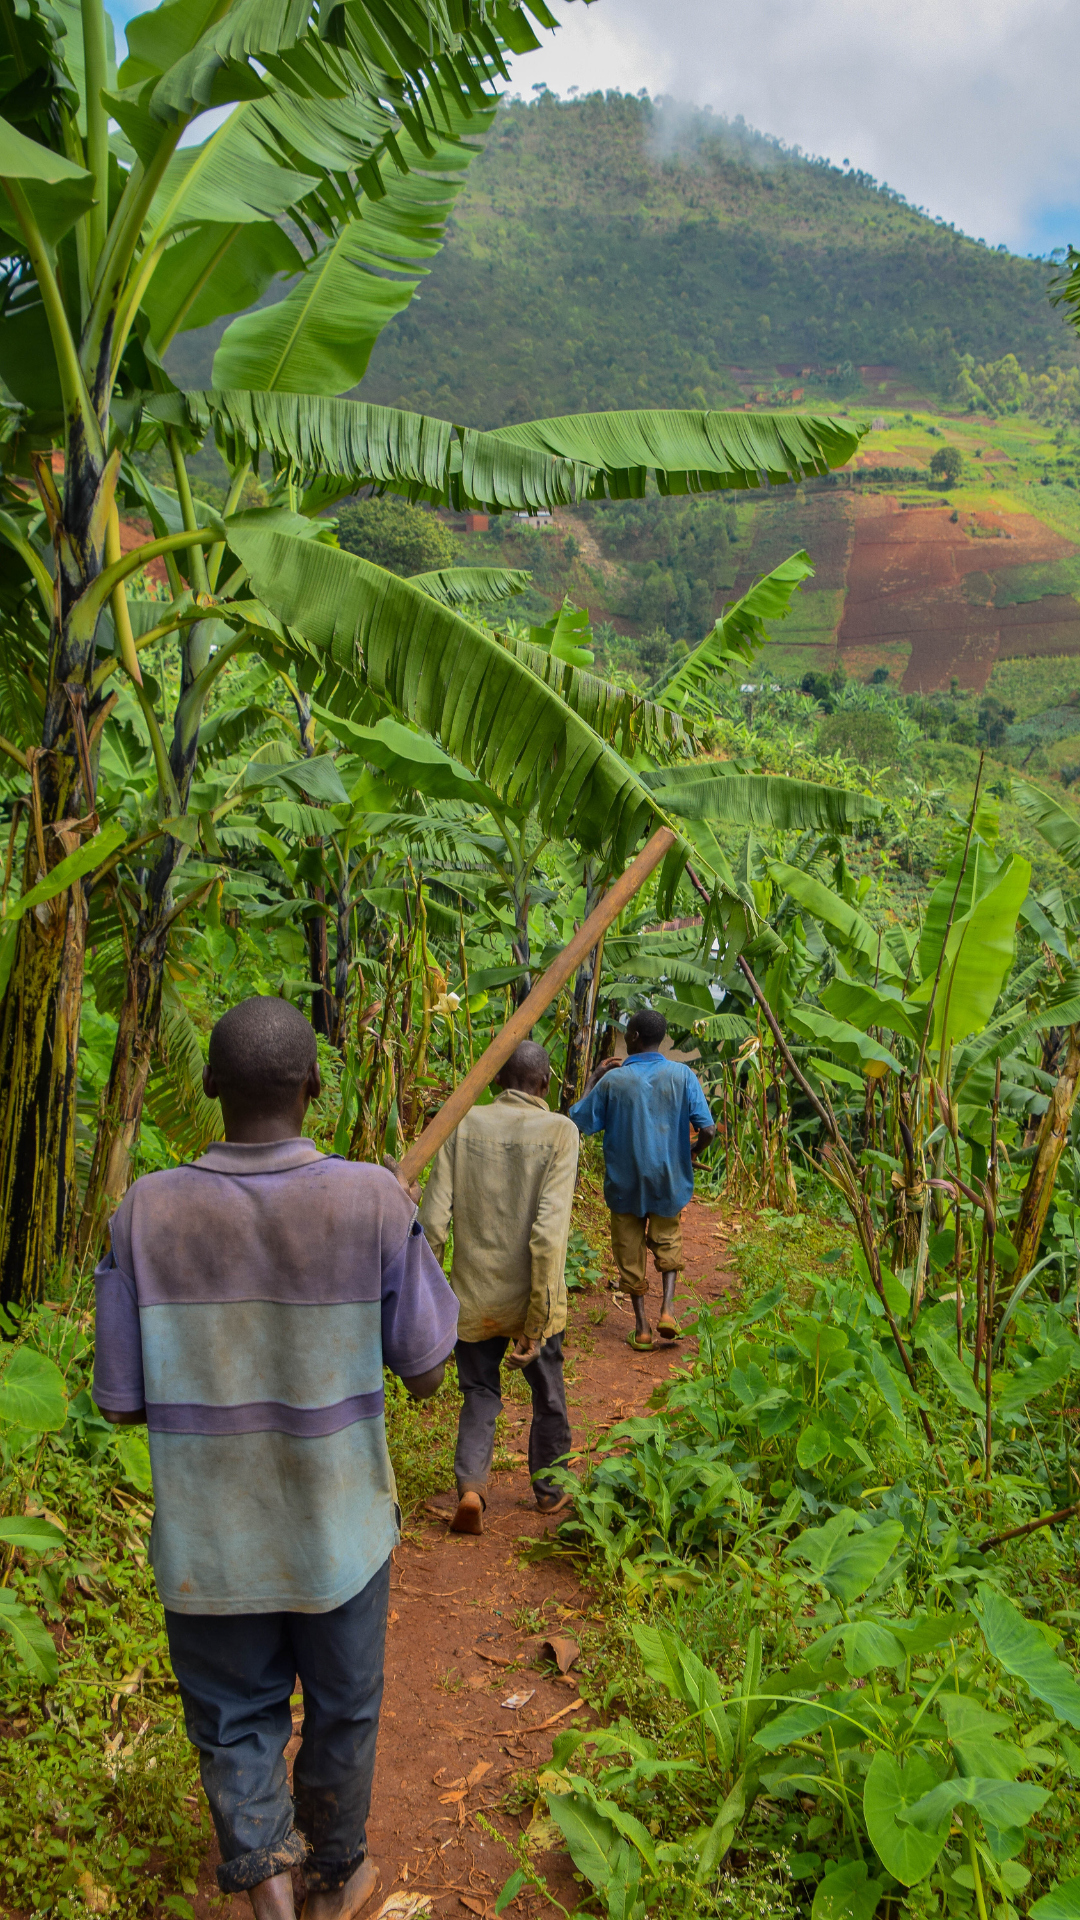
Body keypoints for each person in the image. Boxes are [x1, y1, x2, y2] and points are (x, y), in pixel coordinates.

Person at [93, 996, 458, 1920]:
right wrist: (402, 1237)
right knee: (342, 1709)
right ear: (313, 1087)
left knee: (233, 1720)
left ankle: (272, 1894)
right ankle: (335, 1876)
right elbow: (424, 1369)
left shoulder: (145, 1211)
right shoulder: (371, 1197)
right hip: (337, 1534)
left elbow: (122, 1399)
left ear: (208, 1086)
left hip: (211, 1541)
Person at [419, 1040, 578, 1535]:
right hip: (534, 1296)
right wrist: (537, 1320)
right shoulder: (560, 1132)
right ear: (545, 1085)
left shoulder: (463, 1123)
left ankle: (471, 1487)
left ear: (495, 1083)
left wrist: (433, 1300)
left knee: (480, 1392)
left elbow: (432, 1223)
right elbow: (548, 1236)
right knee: (547, 1391)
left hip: (474, 1295)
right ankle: (550, 1491)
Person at [569, 1007, 716, 1351]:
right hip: (668, 1180)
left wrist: (594, 1076)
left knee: (629, 1250)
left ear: (633, 1037)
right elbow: (708, 1129)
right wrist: (692, 1153)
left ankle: (642, 1328)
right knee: (668, 1240)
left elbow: (579, 1121)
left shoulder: (614, 1080)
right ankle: (667, 1309)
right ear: (660, 1039)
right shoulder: (682, 1075)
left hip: (625, 1183)